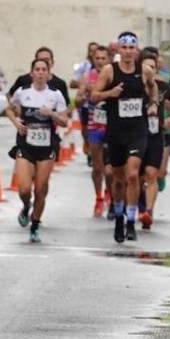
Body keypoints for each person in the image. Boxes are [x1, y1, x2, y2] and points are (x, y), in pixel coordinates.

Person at [91, 32, 152, 243]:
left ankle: (131, 221)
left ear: (136, 50)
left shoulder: (144, 71)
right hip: (116, 132)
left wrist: (152, 103)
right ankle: (119, 216)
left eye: (131, 48)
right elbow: (94, 95)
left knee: (133, 175)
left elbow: (153, 89)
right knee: (117, 178)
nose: (127, 52)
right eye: (124, 48)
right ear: (118, 50)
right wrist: (110, 94)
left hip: (138, 131)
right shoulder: (109, 71)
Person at [7, 57, 71, 244]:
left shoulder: (55, 95)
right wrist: (16, 122)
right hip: (25, 146)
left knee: (41, 188)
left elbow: (65, 121)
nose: (41, 72)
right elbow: (9, 109)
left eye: (44, 69)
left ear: (49, 74)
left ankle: (34, 225)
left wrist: (51, 114)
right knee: (25, 188)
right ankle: (26, 206)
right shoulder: (22, 92)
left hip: (46, 147)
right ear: (32, 73)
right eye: (37, 69)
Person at [138, 48, 170, 230]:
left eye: (153, 66)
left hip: (155, 135)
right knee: (135, 176)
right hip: (134, 135)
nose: (150, 70)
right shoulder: (132, 86)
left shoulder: (162, 85)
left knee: (152, 173)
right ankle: (139, 206)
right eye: (146, 66)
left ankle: (148, 212)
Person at [75, 43, 111, 216]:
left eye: (104, 58)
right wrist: (85, 95)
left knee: (111, 168)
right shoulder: (87, 77)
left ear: (109, 59)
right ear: (92, 59)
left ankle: (110, 193)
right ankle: (98, 198)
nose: (100, 61)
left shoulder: (114, 75)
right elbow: (77, 101)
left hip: (113, 126)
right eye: (97, 58)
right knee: (97, 167)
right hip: (94, 125)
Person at [7, 47, 71, 102]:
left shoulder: (60, 84)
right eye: (40, 59)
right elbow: (10, 96)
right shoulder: (23, 80)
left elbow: (65, 107)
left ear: (52, 62)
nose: (43, 62)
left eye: (46, 60)